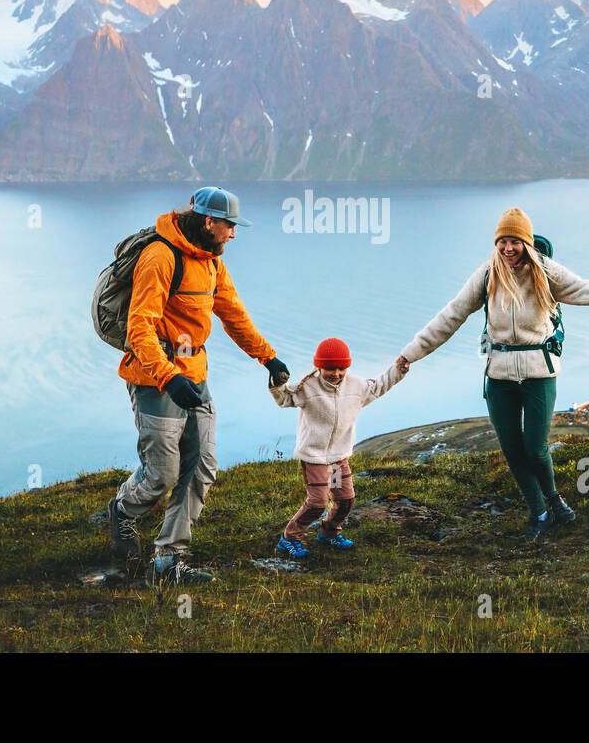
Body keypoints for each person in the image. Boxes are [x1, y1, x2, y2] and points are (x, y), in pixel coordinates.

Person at [396, 207, 589, 540]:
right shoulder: (487, 274)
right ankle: (539, 512)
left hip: (539, 374)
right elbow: (451, 316)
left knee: (535, 447)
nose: (508, 248)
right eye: (502, 241)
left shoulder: (546, 271)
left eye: (515, 241)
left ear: (527, 243)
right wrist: (412, 353)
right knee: (512, 448)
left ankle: (555, 501)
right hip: (499, 377)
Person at [109, 186, 289, 584]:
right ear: (209, 222)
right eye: (229, 226)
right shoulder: (160, 256)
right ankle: (122, 510)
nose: (233, 234)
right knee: (162, 475)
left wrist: (267, 357)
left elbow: (234, 314)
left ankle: (168, 560)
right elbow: (140, 328)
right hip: (155, 380)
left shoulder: (211, 263)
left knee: (202, 466)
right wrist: (168, 376)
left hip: (194, 376)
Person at [271, 337, 406, 558]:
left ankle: (329, 533)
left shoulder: (356, 386)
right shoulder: (308, 386)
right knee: (317, 503)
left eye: (341, 368)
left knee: (345, 499)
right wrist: (276, 382)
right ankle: (290, 538)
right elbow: (284, 398)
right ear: (319, 366)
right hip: (314, 458)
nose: (336, 373)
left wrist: (398, 369)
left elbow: (380, 385)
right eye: (330, 368)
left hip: (337, 460)